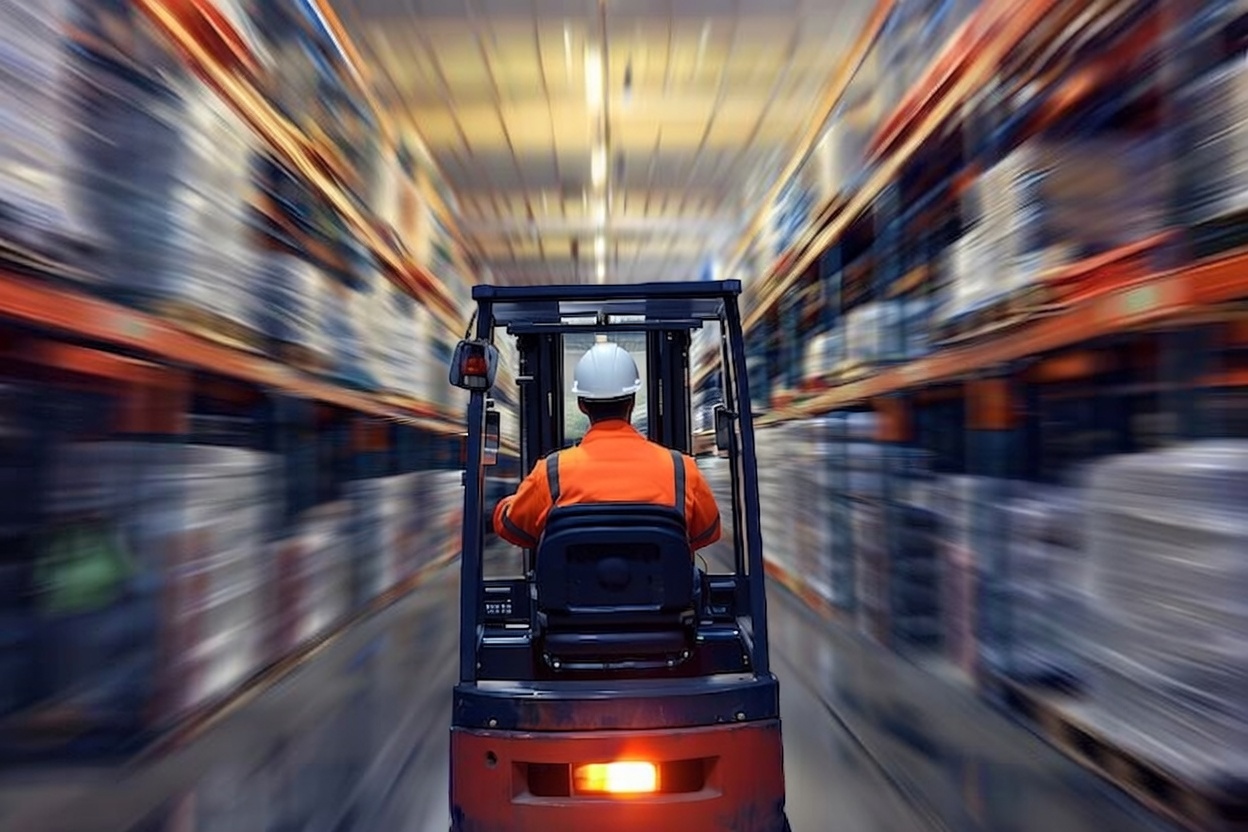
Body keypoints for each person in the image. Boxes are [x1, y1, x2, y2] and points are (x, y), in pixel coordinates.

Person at [493, 341, 722, 553]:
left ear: (582, 405)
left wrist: (508, 503)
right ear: (631, 401)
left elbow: (511, 527)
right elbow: (707, 532)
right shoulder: (681, 469)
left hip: (574, 595)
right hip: (666, 596)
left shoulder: (551, 473)